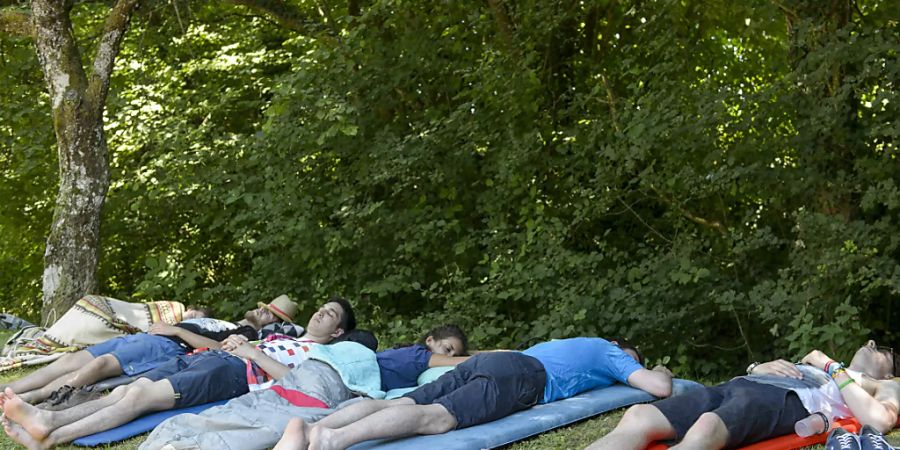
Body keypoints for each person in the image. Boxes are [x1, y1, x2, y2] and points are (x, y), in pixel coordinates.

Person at [0, 297, 355, 449]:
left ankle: (50, 433)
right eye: (322, 308)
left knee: (138, 397)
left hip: (233, 373)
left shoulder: (325, 353)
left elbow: (293, 382)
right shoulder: (276, 334)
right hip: (207, 357)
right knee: (127, 391)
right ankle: (47, 422)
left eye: (330, 315)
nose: (321, 313)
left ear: (339, 332)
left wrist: (248, 352)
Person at [272, 336, 672, 450]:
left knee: (409, 400)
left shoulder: (575, 342)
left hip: (494, 361)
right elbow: (659, 387)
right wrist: (655, 367)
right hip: (520, 377)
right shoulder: (610, 351)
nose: (628, 369)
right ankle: (332, 440)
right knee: (437, 418)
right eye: (630, 360)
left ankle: (311, 430)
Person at [138, 324, 471, 450]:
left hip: (309, 375)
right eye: (448, 348)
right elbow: (460, 365)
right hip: (324, 384)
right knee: (274, 420)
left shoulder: (380, 357)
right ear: (429, 341)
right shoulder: (415, 357)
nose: (449, 355)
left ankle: (175, 438)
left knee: (261, 408)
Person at [588, 340, 900, 450]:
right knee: (639, 416)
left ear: (890, 372)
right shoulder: (829, 367)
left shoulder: (883, 384)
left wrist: (830, 366)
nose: (871, 343)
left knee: (707, 428)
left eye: (882, 349)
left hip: (793, 401)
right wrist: (757, 366)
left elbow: (879, 419)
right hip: (740, 384)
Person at [3, 296, 299, 404]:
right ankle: (9, 389)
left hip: (168, 345)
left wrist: (177, 330)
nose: (263, 313)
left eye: (271, 315)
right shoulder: (224, 319)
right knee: (70, 359)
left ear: (274, 324)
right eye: (264, 308)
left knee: (99, 365)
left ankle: (34, 399)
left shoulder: (247, 334)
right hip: (149, 337)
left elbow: (220, 349)